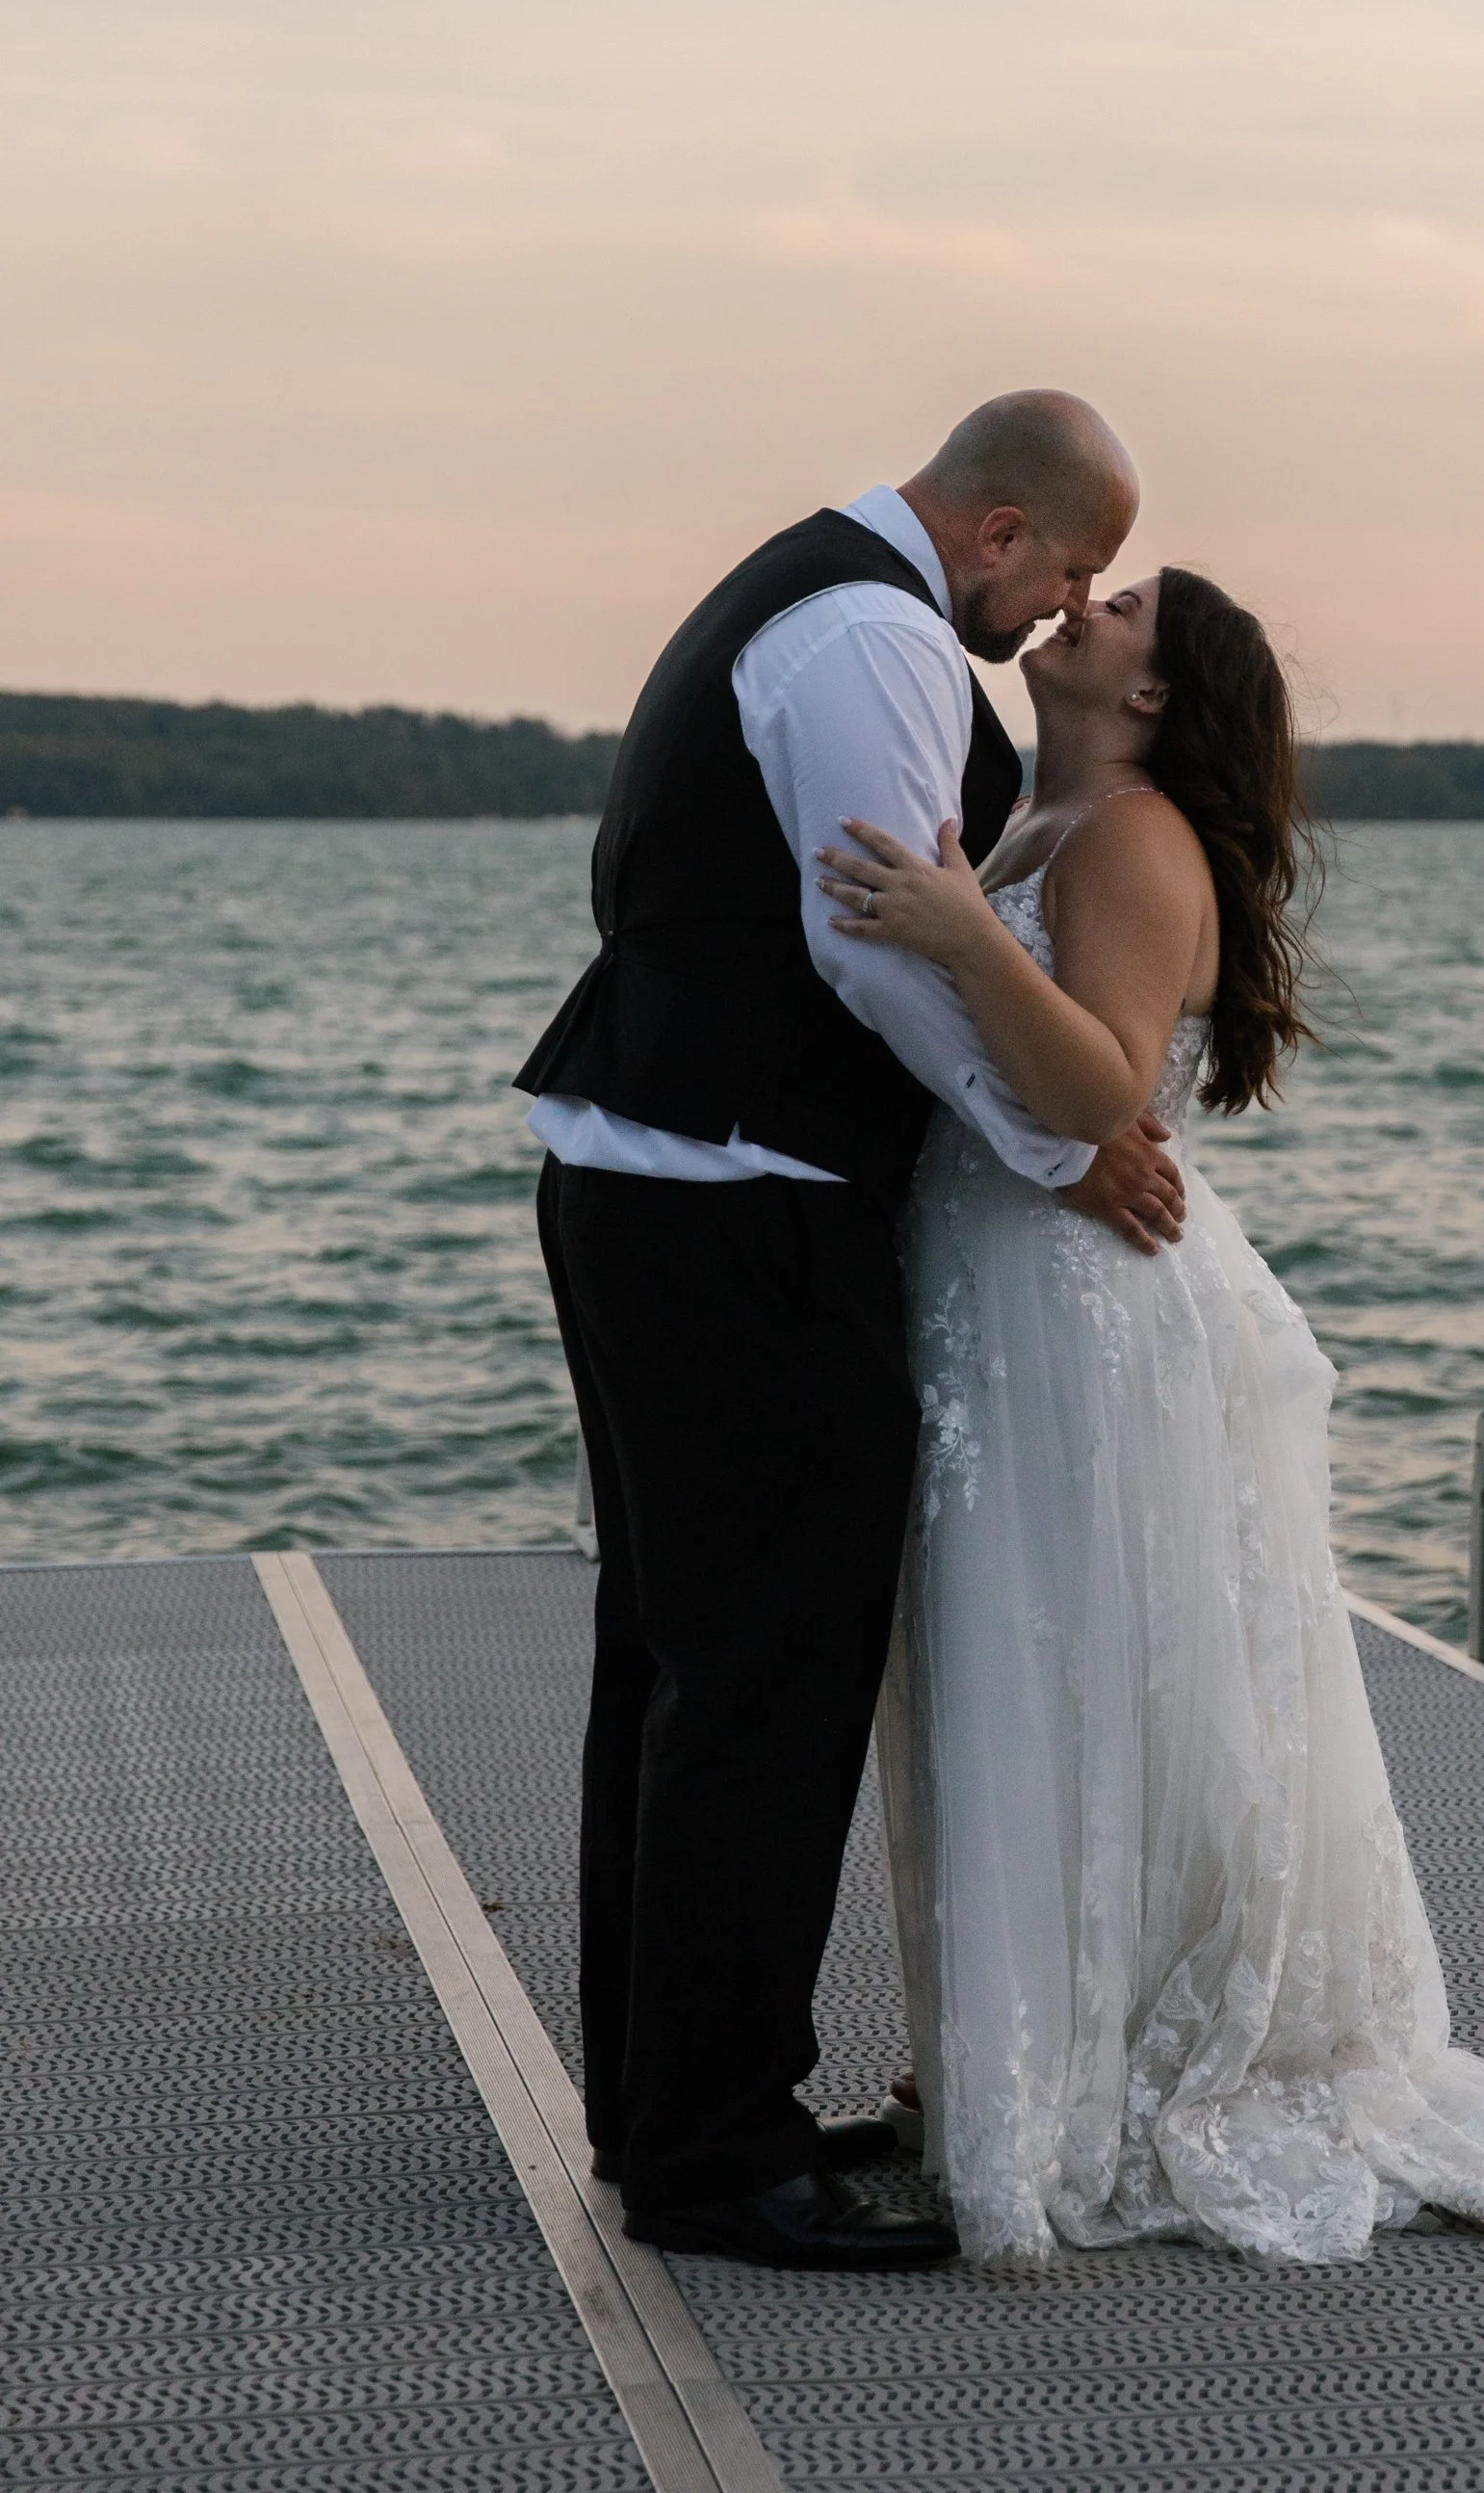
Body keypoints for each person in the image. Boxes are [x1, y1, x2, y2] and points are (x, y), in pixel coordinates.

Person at [819, 567, 1484, 2265]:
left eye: (1116, 607)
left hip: (1089, 1320)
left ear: (1152, 697)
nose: (1076, 607)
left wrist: (963, 930)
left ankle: (1106, 2076)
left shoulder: (1128, 835)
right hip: (1004, 1299)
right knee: (1031, 1683)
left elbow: (1101, 1090)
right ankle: (1028, 2056)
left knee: (1080, 1678)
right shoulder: (1040, 811)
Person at [516, 392, 1185, 2272]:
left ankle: (675, 2106)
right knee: (762, 1682)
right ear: (993, 531)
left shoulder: (811, 599)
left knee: (680, 1665)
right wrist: (1054, 1145)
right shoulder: (875, 633)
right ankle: (718, 2158)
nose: (1068, 608)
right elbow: (882, 943)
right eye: (1068, 569)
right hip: (736, 1205)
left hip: (669, 1184)